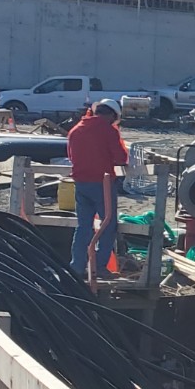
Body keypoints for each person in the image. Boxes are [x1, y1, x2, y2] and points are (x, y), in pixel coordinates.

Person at [66, 99, 128, 284]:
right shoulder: (108, 130)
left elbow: (70, 156)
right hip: (102, 183)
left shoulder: (75, 129)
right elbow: (121, 158)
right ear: (111, 116)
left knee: (83, 227)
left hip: (80, 183)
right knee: (108, 225)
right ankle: (99, 267)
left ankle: (77, 267)